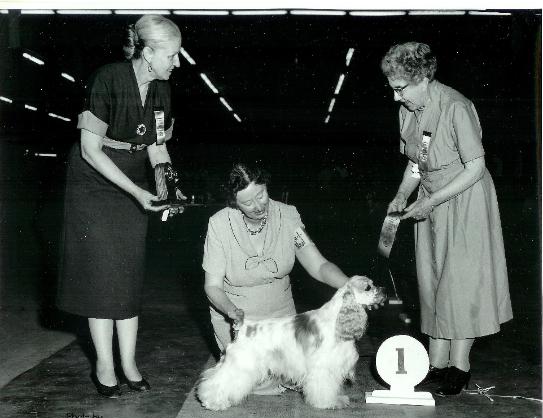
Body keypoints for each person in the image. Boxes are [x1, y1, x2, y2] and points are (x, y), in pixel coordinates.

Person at [57, 15, 184, 398]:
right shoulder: (107, 79)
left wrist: (168, 190)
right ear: (148, 53)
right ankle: (105, 365)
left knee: (127, 273)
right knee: (101, 275)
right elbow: (89, 149)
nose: (177, 63)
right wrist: (136, 193)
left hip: (132, 176)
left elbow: (157, 148)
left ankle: (128, 363)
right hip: (94, 182)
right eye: (172, 55)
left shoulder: (162, 89)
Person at [381, 42, 513, 396]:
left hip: (465, 198)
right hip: (429, 198)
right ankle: (436, 364)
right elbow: (417, 161)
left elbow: (476, 167)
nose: (396, 96)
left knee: (459, 283)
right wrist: (402, 194)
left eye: (400, 88)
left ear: (422, 78)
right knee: (432, 281)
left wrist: (432, 200)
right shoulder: (409, 110)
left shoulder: (456, 106)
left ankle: (459, 366)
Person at [202, 163, 375, 395]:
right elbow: (212, 286)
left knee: (299, 373)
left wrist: (350, 286)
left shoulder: (288, 215)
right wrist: (232, 312)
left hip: (284, 322)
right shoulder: (219, 224)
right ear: (233, 202)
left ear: (266, 187)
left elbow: (319, 266)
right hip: (239, 319)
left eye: (261, 195)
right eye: (247, 203)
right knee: (252, 381)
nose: (258, 206)